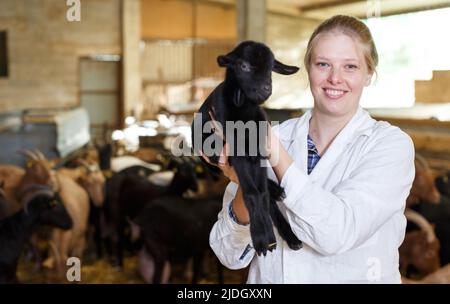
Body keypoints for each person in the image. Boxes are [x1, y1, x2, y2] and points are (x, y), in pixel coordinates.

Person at [202, 15, 415, 283]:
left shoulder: (389, 146)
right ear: (309, 69)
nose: (335, 78)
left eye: (350, 66)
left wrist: (274, 153)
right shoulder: (275, 136)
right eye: (323, 64)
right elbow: (228, 254)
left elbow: (338, 233)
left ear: (369, 74)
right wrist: (249, 187)